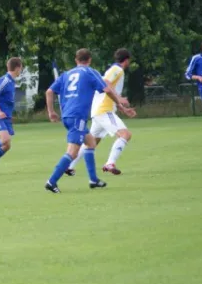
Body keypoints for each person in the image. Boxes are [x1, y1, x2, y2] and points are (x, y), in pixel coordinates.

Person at [45, 48, 136, 194]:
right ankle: (51, 181)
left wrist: (51, 112)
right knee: (72, 152)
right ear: (89, 60)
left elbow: (49, 92)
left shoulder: (66, 74)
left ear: (76, 60)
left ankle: (93, 180)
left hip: (68, 114)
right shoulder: (90, 72)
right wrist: (120, 105)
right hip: (77, 116)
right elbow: (106, 90)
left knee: (90, 142)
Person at [66, 48, 133, 176]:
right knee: (125, 134)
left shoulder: (115, 70)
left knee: (91, 143)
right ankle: (110, 163)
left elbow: (108, 89)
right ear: (127, 60)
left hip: (98, 111)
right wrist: (119, 99)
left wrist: (121, 106)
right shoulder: (117, 69)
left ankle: (69, 166)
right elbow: (106, 83)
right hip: (104, 110)